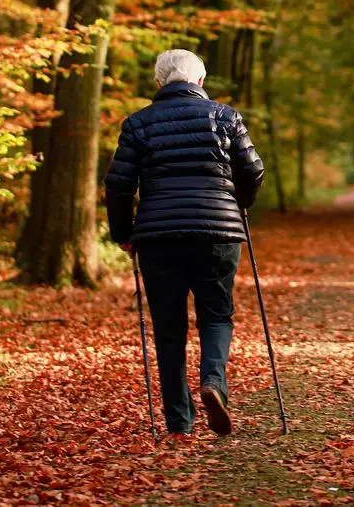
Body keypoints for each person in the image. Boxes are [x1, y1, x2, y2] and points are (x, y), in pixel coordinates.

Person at [106, 49, 265, 437]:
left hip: (159, 236)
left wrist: (122, 233)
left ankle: (179, 420)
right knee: (215, 313)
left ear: (160, 83)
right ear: (200, 81)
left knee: (168, 326)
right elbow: (253, 169)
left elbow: (119, 183)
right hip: (217, 233)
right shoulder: (225, 117)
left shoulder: (138, 123)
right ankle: (213, 382)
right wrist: (237, 203)